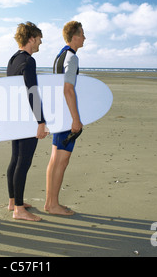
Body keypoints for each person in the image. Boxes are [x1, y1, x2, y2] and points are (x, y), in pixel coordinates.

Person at [6, 22, 49, 222]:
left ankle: (13, 201)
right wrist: (41, 121)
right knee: (23, 163)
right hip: (26, 119)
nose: (41, 41)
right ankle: (19, 210)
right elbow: (32, 91)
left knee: (15, 159)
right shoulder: (28, 61)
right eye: (39, 38)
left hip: (15, 117)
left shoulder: (13, 60)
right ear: (31, 38)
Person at [45, 21, 85, 215]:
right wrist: (75, 119)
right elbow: (68, 89)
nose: (85, 38)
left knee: (54, 160)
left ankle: (49, 202)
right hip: (65, 117)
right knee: (61, 161)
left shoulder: (60, 56)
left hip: (57, 115)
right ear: (75, 36)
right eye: (82, 34)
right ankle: (53, 205)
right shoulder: (72, 57)